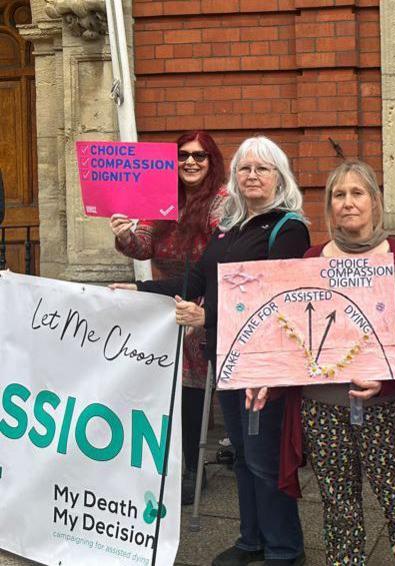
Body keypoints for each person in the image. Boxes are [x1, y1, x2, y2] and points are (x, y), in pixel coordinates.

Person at [115, 136, 310, 566]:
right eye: (245, 168)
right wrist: (139, 288)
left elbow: (277, 300)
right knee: (242, 454)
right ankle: (251, 539)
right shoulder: (231, 227)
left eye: (263, 168)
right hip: (227, 355)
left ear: (280, 176)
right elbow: (199, 283)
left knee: (264, 458)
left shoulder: (288, 228)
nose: (252, 175)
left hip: (264, 365)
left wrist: (209, 318)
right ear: (235, 177)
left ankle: (283, 548)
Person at [249, 160, 395, 565]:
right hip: (324, 409)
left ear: (374, 201)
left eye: (357, 193)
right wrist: (268, 376)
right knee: (339, 508)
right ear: (329, 206)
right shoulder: (312, 257)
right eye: (339, 195)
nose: (348, 203)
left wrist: (389, 382)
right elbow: (294, 334)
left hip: (385, 409)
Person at [109, 130, 228, 505]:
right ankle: (165, 461)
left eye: (200, 156)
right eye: (183, 156)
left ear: (212, 162)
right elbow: (143, 245)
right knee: (158, 378)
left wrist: (203, 309)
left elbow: (216, 266)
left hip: (203, 295)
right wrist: (125, 234)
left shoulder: (221, 203)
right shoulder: (160, 197)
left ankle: (194, 466)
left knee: (192, 375)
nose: (190, 162)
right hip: (163, 294)